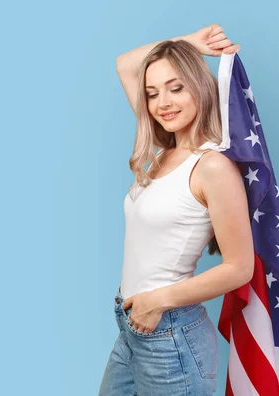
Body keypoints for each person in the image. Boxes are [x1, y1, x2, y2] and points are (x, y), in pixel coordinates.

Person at [98, 24, 254, 395]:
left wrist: (156, 301)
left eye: (177, 87)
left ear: (200, 88)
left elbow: (239, 267)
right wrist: (190, 44)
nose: (162, 103)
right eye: (152, 94)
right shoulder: (163, 153)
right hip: (132, 326)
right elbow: (125, 65)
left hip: (170, 333)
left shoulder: (212, 165)